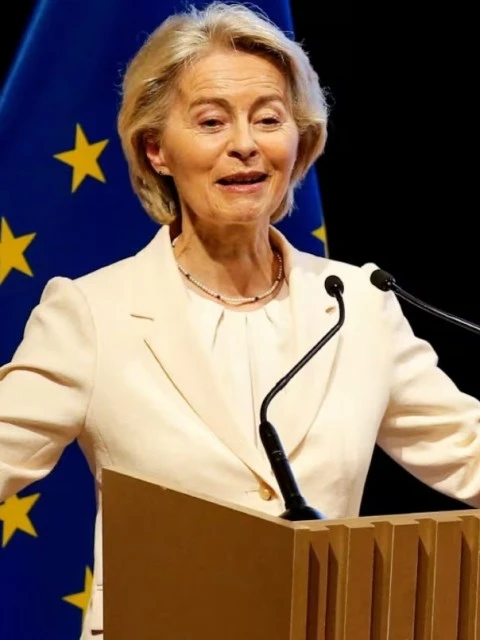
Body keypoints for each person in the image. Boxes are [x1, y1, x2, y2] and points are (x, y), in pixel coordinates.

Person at [1, 2, 480, 638]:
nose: (246, 144)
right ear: (156, 149)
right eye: (211, 121)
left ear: (300, 142)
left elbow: (468, 451)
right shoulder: (92, 313)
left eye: (269, 119)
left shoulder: (358, 304)